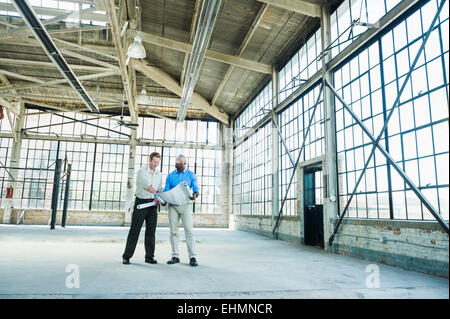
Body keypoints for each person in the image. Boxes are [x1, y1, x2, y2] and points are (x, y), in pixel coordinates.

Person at [122, 152, 162, 265]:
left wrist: (158, 198)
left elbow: (159, 188)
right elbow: (148, 187)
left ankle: (149, 256)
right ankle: (127, 256)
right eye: (154, 161)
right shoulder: (141, 172)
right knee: (135, 230)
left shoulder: (159, 174)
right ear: (149, 160)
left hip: (153, 205)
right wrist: (158, 195)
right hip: (141, 203)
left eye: (158, 162)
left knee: (151, 231)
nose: (156, 164)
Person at [163, 155, 199, 267]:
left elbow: (196, 189)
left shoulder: (191, 175)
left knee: (189, 231)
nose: (177, 162)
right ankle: (175, 256)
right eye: (177, 161)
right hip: (172, 206)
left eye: (180, 161)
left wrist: (195, 195)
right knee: (173, 231)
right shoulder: (170, 176)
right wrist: (163, 199)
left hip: (185, 205)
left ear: (185, 163)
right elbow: (166, 190)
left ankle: (192, 257)